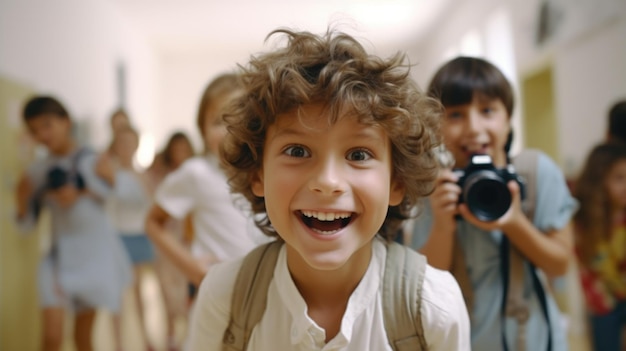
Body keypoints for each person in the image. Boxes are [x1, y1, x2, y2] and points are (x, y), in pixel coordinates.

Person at [186, 28, 470, 350]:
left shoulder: (433, 307)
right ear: (258, 174)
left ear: (397, 182)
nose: (327, 182)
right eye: (297, 151)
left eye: (359, 155)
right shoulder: (225, 296)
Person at [408, 56, 577, 350]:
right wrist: (442, 227)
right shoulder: (436, 187)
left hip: (535, 339)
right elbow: (427, 283)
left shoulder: (534, 173)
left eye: (487, 110)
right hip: (465, 341)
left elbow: (560, 265)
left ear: (508, 120)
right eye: (456, 115)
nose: (473, 127)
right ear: (437, 127)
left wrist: (513, 222)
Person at [14, 96, 132, 351]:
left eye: (47, 125)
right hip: (59, 258)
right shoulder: (37, 171)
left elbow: (118, 199)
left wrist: (92, 188)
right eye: (35, 131)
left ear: (66, 121)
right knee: (52, 337)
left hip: (92, 258)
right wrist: (22, 199)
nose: (43, 135)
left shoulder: (93, 159)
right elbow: (25, 228)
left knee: (83, 339)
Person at [145, 73, 266, 296]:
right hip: (216, 290)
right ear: (203, 130)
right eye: (218, 121)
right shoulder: (197, 173)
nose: (230, 130)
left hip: (263, 290)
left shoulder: (266, 172)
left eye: (239, 119)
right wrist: (191, 266)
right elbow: (153, 222)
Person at [98, 125, 156, 351]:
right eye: (122, 143)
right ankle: (118, 344)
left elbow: (151, 204)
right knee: (117, 295)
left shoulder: (143, 175)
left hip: (139, 237)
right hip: (116, 238)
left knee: (139, 293)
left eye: (130, 143)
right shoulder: (108, 172)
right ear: (115, 146)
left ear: (137, 145)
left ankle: (146, 339)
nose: (126, 148)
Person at [145, 131, 196, 351]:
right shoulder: (163, 176)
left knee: (185, 290)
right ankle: (170, 335)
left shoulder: (196, 175)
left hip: (190, 241)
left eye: (184, 149)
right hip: (166, 242)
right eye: (176, 149)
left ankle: (187, 336)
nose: (180, 154)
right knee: (166, 290)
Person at [573, 142, 626, 351]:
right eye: (619, 178)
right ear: (601, 180)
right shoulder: (586, 224)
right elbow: (588, 266)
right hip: (602, 303)